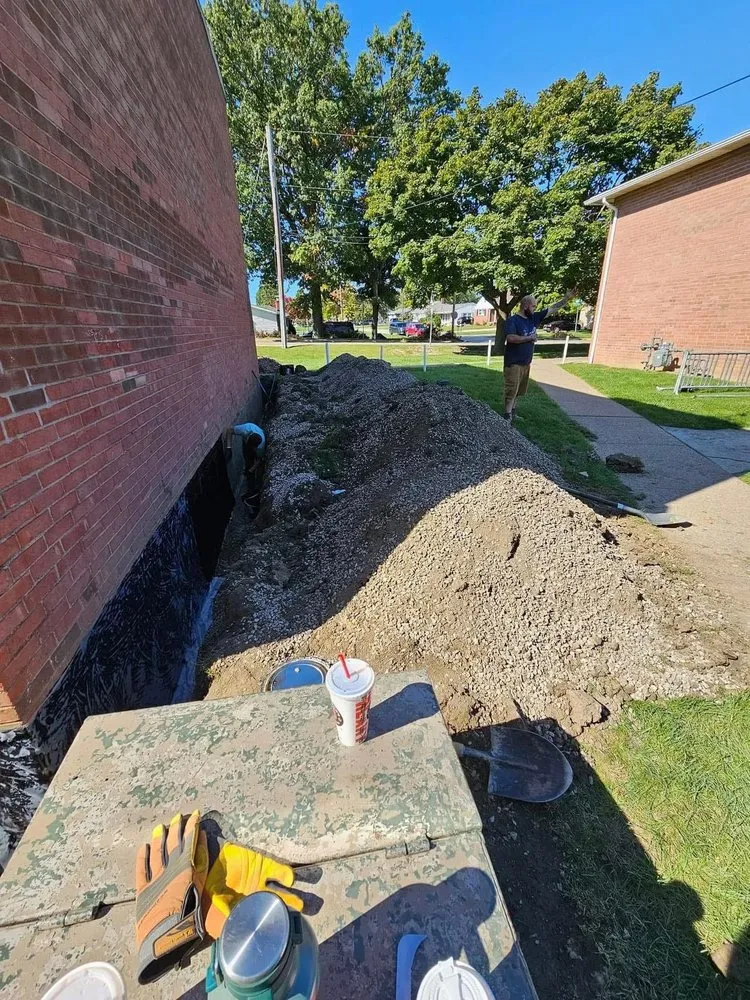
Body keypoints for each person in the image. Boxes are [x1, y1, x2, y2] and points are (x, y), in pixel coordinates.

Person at [503, 290, 575, 422]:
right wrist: (529, 337)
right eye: (533, 306)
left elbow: (552, 309)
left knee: (519, 391)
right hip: (514, 363)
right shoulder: (512, 321)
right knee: (511, 390)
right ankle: (506, 417)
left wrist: (566, 299)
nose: (535, 308)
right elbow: (511, 338)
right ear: (525, 306)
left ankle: (513, 413)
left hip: (526, 363)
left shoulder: (533, 318)